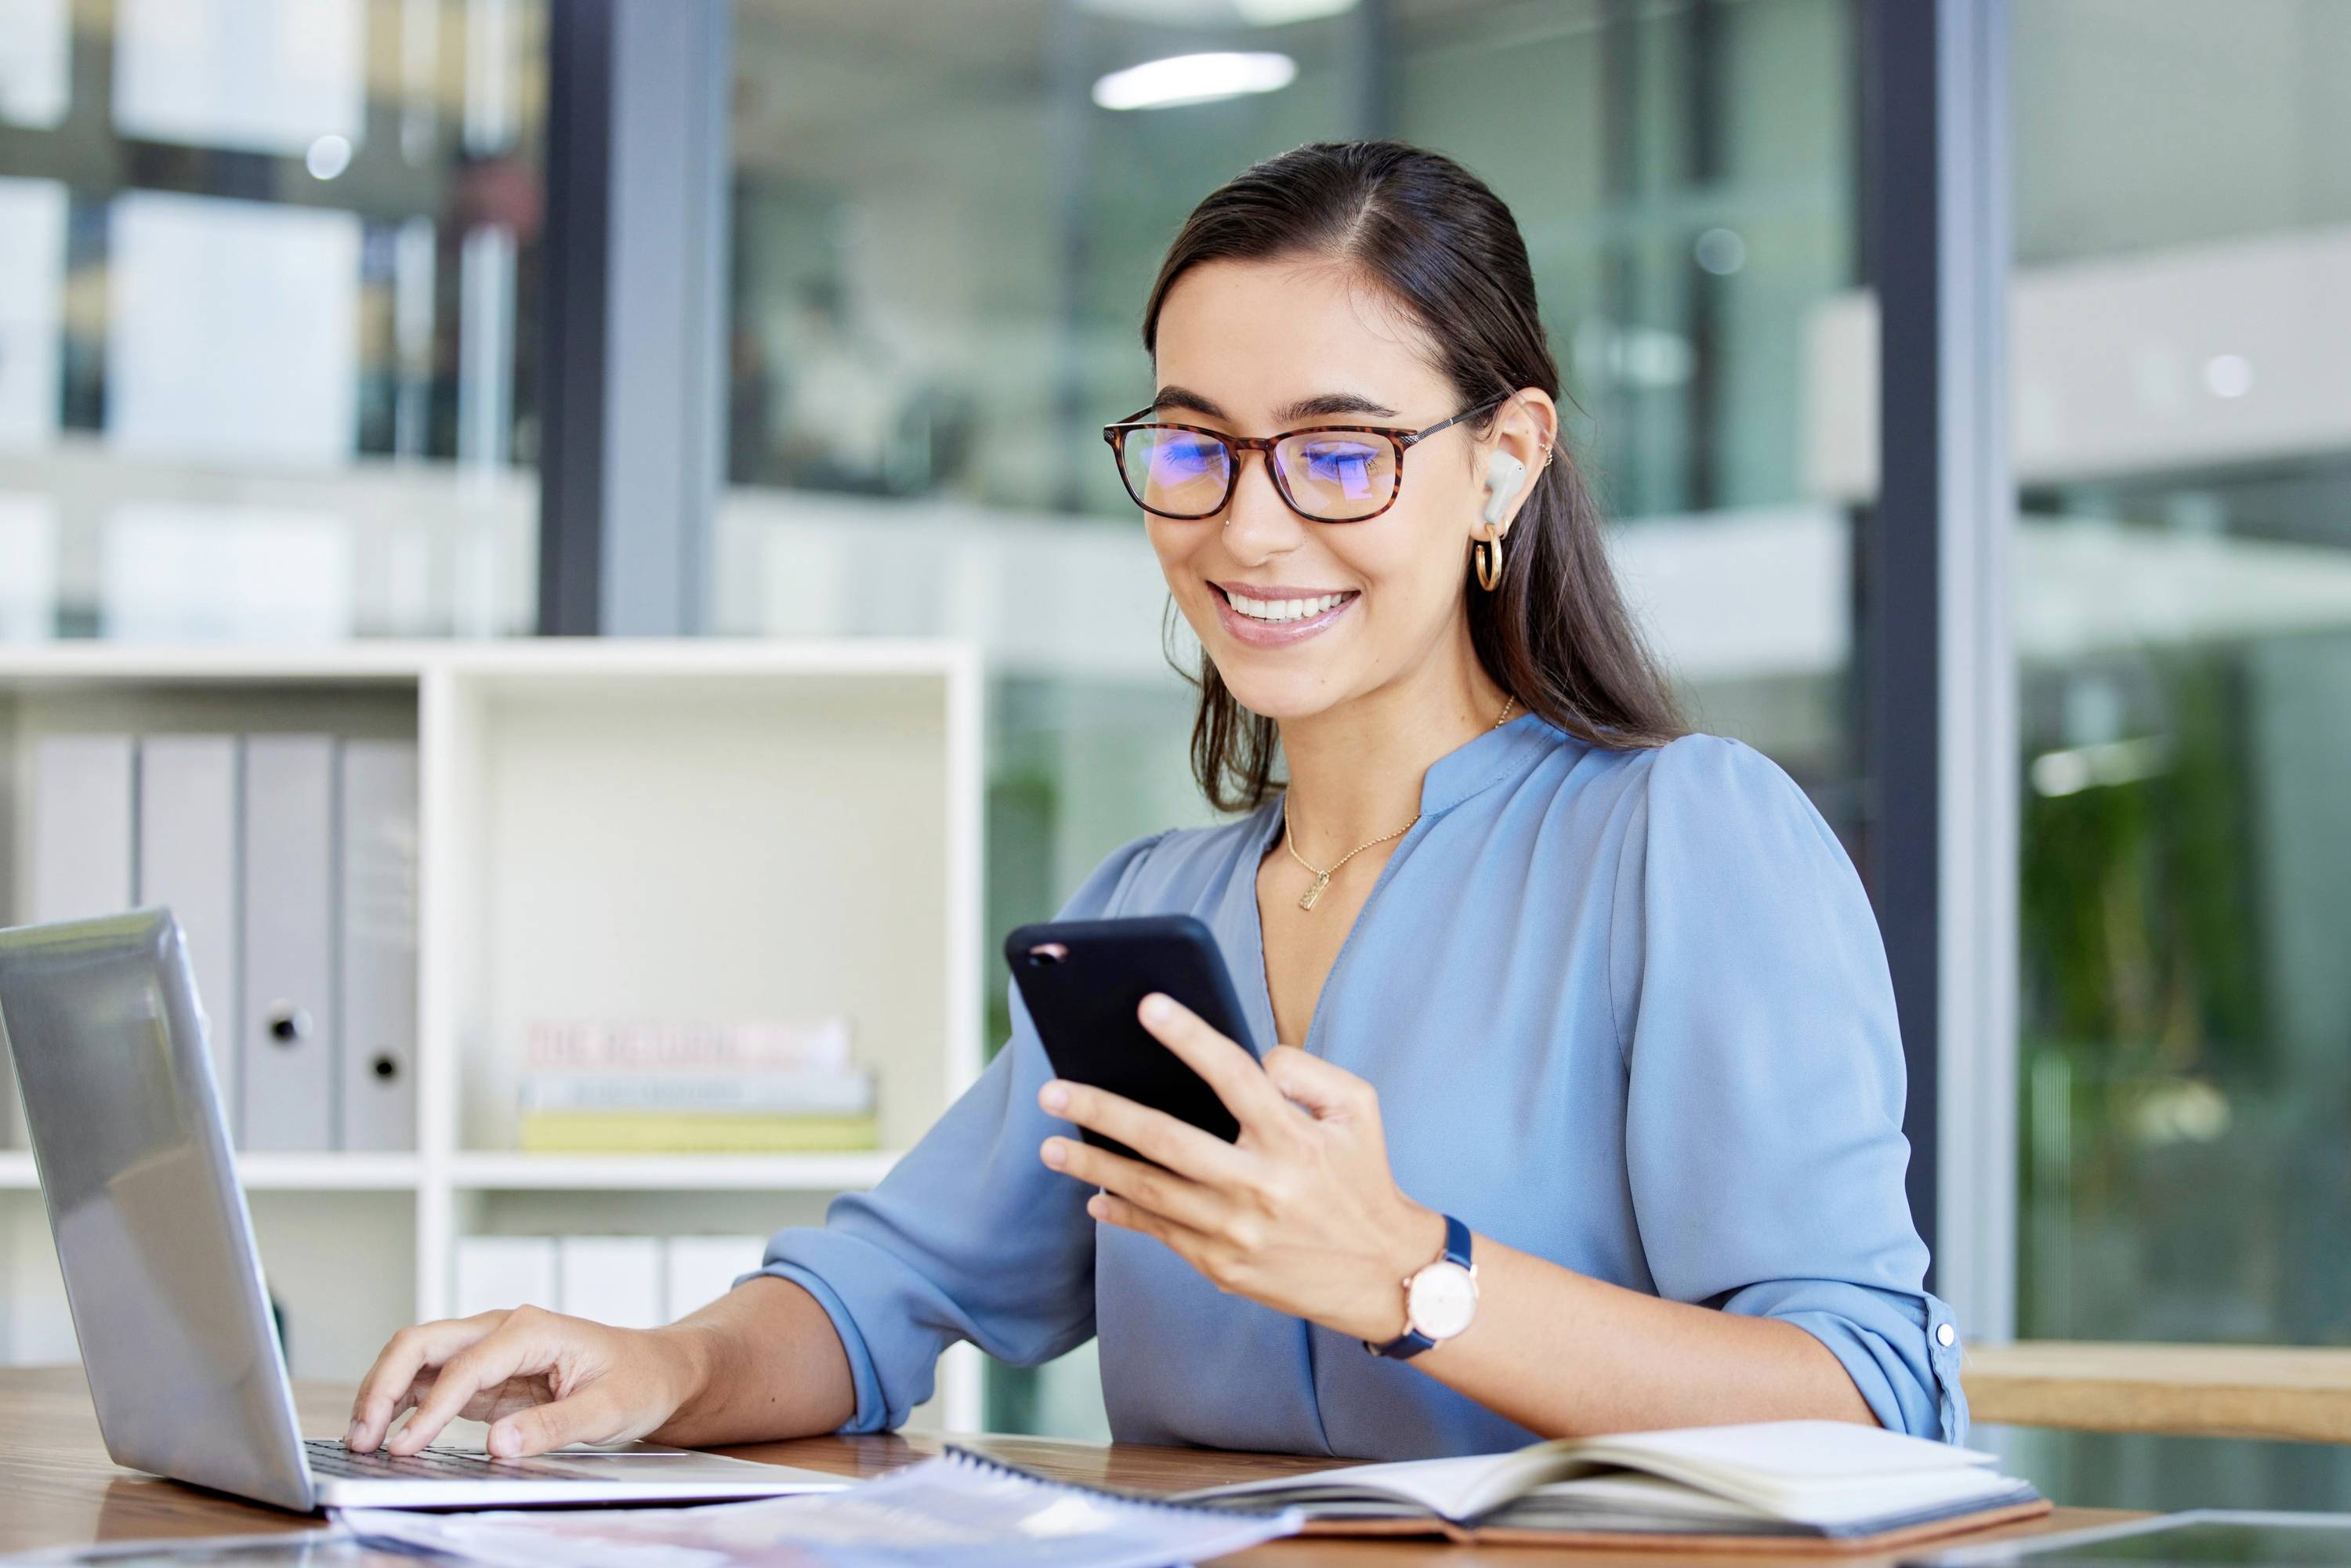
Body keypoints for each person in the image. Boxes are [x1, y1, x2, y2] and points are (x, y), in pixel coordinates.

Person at [345, 140, 1966, 1465]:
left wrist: (1413, 1274)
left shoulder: (1683, 839)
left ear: (1504, 460)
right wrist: (661, 1365)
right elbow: (883, 1291)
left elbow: (1873, 1393)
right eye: (1195, 449)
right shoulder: (1155, 908)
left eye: (1339, 453)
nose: (1250, 531)